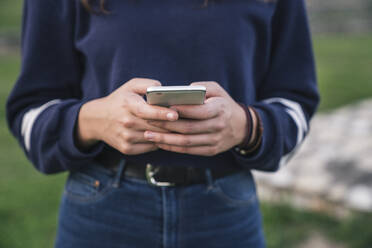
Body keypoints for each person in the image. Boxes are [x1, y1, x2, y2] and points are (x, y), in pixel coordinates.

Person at [6, 0, 319, 247]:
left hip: (225, 212)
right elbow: (31, 112)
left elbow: (295, 102)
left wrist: (247, 126)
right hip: (101, 210)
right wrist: (94, 121)